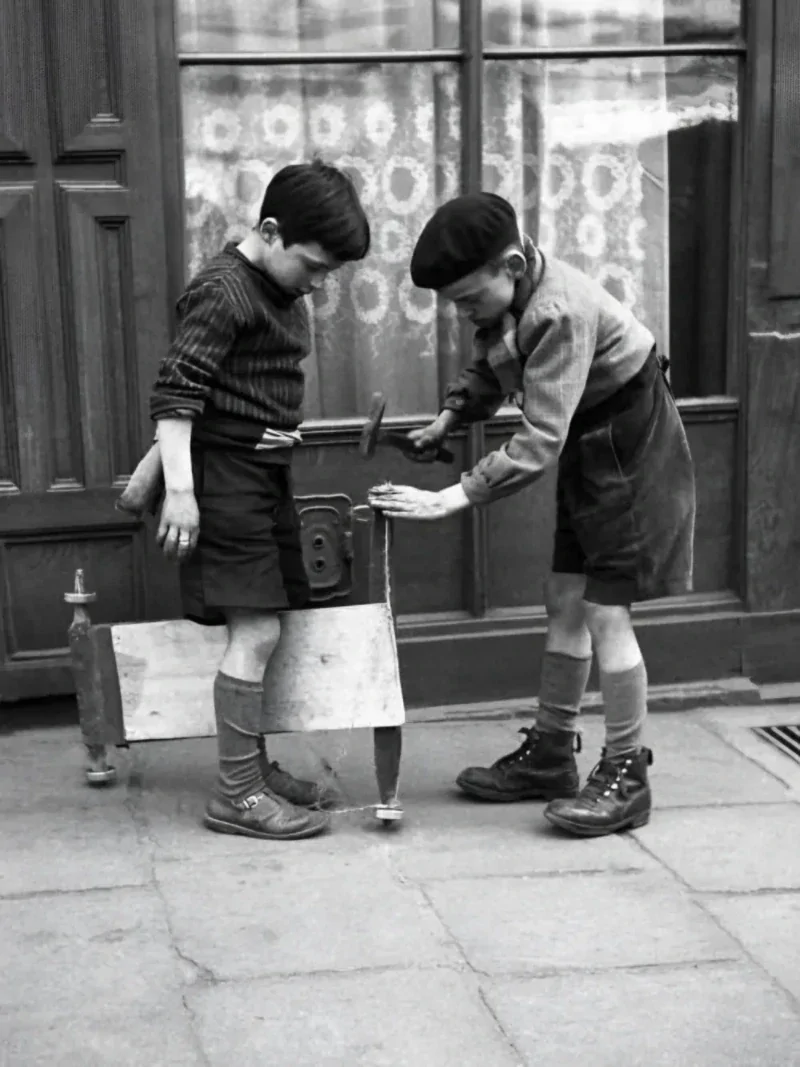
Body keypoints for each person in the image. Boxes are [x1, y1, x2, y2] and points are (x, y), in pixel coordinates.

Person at [369, 192, 695, 837]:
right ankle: (552, 753)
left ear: (512, 265)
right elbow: (497, 359)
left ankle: (628, 773)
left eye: (467, 299)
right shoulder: (516, 296)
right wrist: (450, 419)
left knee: (606, 608)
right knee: (564, 596)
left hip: (631, 444)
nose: (464, 315)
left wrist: (452, 496)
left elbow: (540, 440)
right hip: (592, 437)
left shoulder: (560, 312)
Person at [149, 159, 370, 841]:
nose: (319, 280)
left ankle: (253, 767)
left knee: (273, 622)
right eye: (313, 264)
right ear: (270, 232)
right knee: (256, 630)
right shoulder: (223, 291)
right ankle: (237, 794)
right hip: (226, 479)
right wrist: (179, 493)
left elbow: (220, 388)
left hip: (264, 472)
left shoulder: (276, 291)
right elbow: (178, 394)